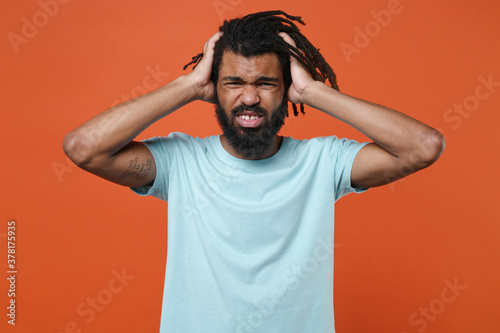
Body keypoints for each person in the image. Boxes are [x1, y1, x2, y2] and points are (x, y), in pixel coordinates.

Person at [63, 10, 444, 333]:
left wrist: (314, 91)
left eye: (265, 83)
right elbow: (84, 148)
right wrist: (190, 84)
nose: (249, 98)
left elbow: (422, 146)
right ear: (215, 87)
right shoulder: (181, 161)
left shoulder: (323, 162)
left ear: (286, 89)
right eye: (233, 83)